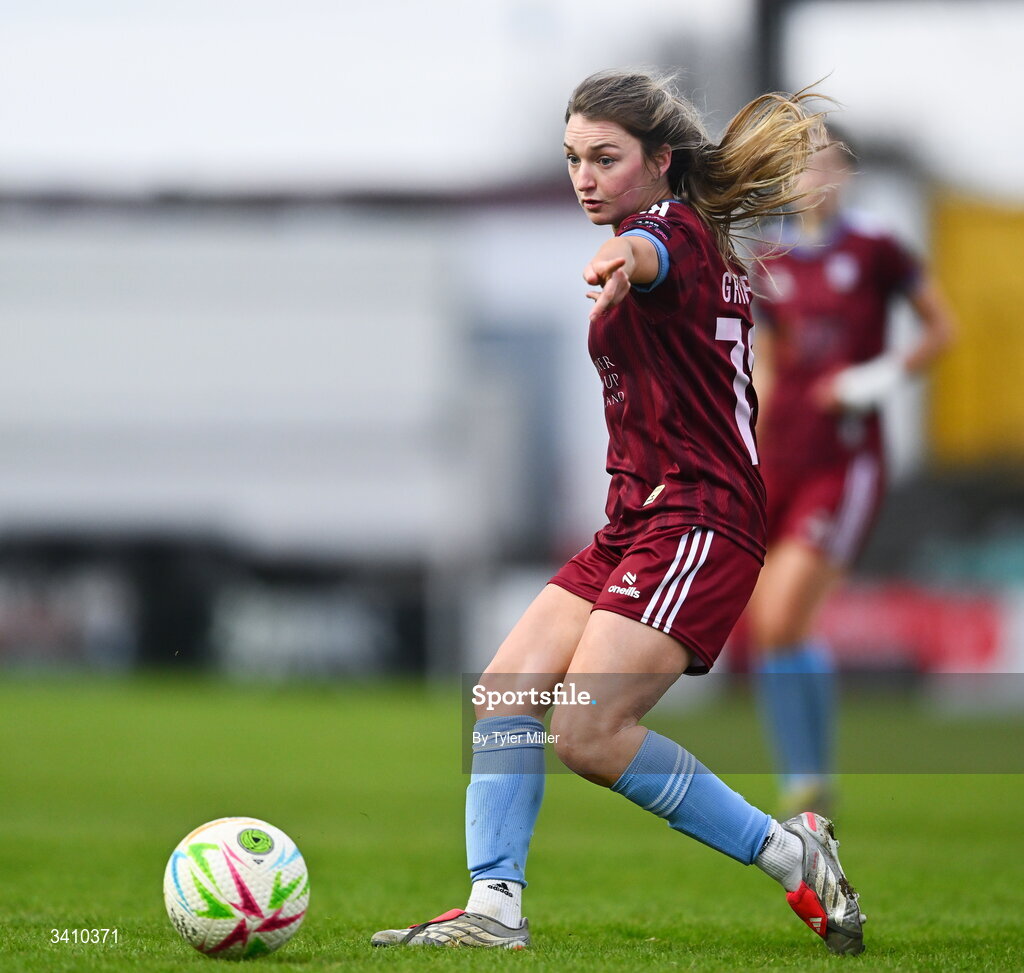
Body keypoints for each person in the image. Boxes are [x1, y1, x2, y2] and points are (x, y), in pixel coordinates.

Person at [371, 70, 865, 956]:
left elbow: (652, 253)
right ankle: (495, 907)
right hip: (638, 516)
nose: (584, 177)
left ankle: (789, 851)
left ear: (660, 160)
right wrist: (622, 261)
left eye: (606, 157)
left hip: (699, 518)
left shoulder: (666, 230)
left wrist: (621, 259)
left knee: (589, 731)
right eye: (572, 159)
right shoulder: (686, 235)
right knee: (505, 692)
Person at [746, 134, 955, 817]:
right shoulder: (771, 260)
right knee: (773, 627)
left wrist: (877, 377)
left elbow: (939, 330)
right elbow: (769, 357)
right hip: (780, 455)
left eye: (827, 162)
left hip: (844, 458)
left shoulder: (876, 248)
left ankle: (807, 774)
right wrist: (747, 430)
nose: (815, 175)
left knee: (783, 613)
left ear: (847, 173)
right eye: (802, 163)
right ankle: (804, 780)